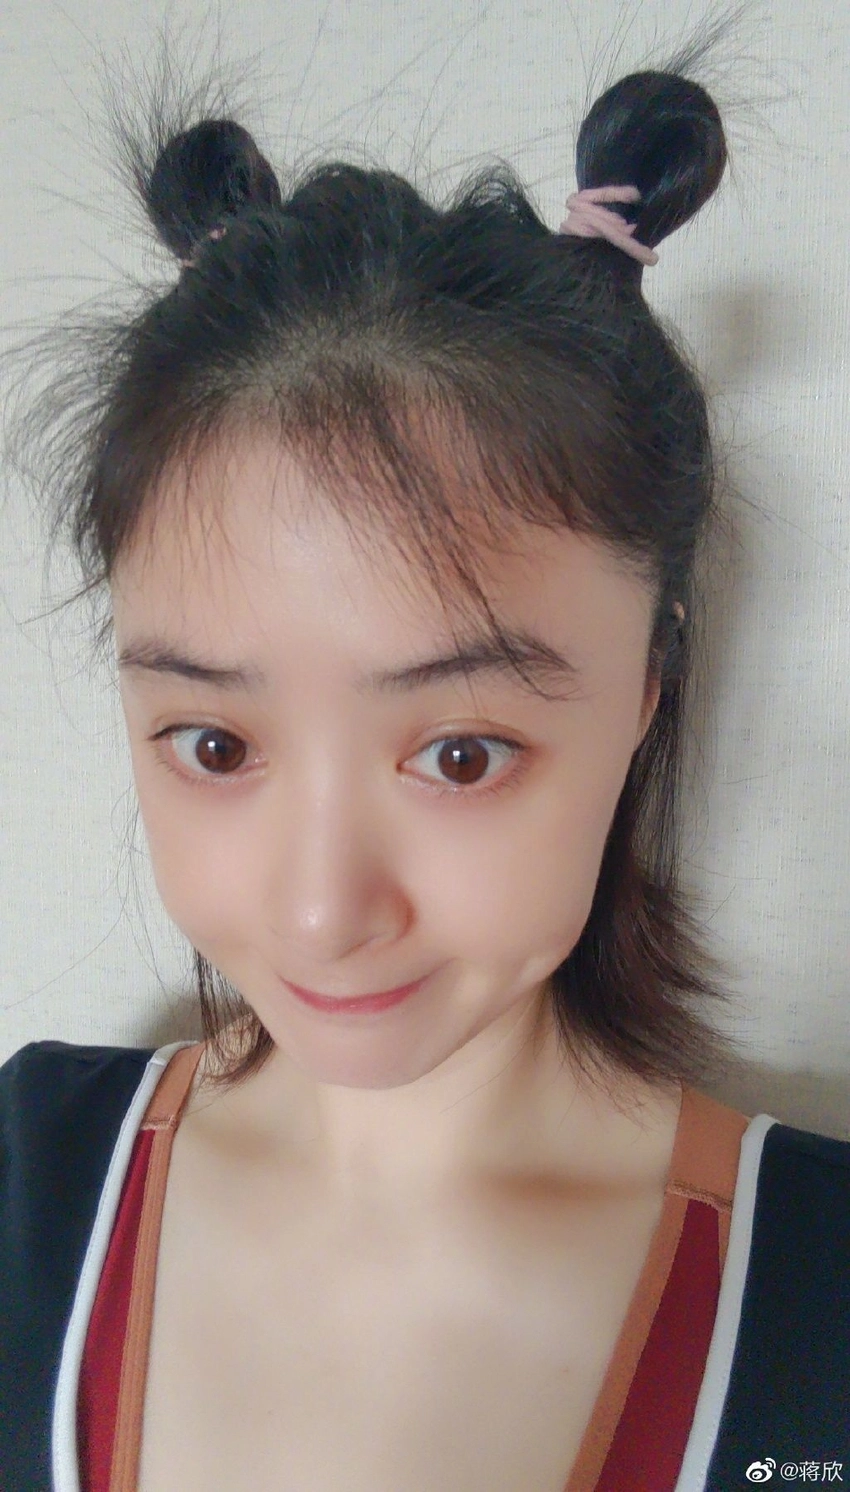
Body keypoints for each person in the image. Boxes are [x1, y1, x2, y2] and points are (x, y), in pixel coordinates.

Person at [1, 32, 849, 1492]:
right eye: (216, 744)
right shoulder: (30, 1185)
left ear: (646, 692)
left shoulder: (818, 1305)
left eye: (459, 753)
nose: (323, 911)